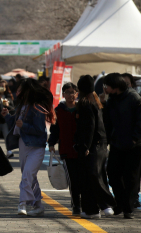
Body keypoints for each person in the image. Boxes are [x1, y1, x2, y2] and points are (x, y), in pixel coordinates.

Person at [2, 78, 55, 217]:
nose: (18, 92)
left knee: (27, 175)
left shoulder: (37, 108)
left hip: (36, 147)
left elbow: (40, 130)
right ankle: (38, 206)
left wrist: (23, 125)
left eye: (21, 90)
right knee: (30, 176)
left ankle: (22, 203)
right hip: (23, 145)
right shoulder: (21, 107)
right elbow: (15, 123)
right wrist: (7, 116)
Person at [103, 72, 141, 219]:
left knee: (131, 176)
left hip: (137, 144)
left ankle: (128, 209)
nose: (105, 88)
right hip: (118, 142)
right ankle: (121, 203)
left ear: (115, 86)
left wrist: (134, 139)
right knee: (113, 172)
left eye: (107, 85)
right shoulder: (112, 99)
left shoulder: (135, 98)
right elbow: (107, 121)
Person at [73, 75, 116, 219]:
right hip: (100, 144)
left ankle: (107, 204)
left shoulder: (85, 103)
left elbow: (89, 127)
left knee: (93, 175)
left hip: (93, 145)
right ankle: (91, 210)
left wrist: (85, 146)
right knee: (89, 177)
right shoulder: (96, 101)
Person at [48, 83, 82, 215]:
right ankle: (76, 206)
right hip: (66, 150)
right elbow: (55, 130)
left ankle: (84, 203)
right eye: (67, 92)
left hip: (81, 150)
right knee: (72, 179)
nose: (71, 95)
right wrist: (51, 144)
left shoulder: (81, 109)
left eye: (73, 92)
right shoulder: (58, 111)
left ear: (77, 94)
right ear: (63, 95)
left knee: (81, 178)